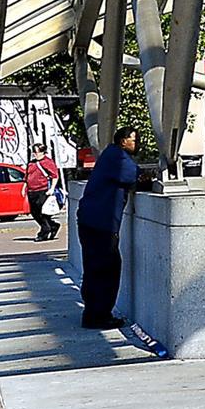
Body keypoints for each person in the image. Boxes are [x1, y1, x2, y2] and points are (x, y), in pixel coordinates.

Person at [77, 130, 142, 328]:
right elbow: (131, 174)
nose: (137, 143)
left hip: (90, 220)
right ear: (124, 141)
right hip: (101, 223)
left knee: (93, 269)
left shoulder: (109, 154)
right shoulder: (118, 157)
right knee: (108, 268)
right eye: (134, 139)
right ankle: (100, 315)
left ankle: (92, 313)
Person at [24, 143, 63, 241]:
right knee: (34, 212)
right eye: (34, 152)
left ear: (43, 152)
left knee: (42, 212)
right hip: (31, 190)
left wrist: (52, 189)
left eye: (37, 152)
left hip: (43, 190)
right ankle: (53, 226)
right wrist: (25, 187)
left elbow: (54, 176)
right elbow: (27, 177)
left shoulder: (47, 162)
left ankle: (44, 232)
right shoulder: (31, 163)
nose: (35, 154)